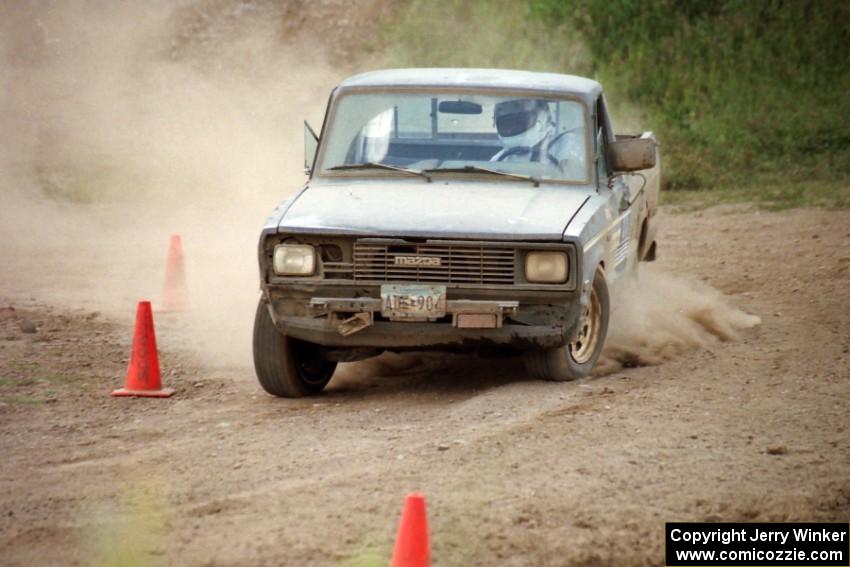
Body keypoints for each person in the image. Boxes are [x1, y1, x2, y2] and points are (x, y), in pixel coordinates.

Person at [490, 99, 582, 176]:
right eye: (506, 124)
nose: (512, 128)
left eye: (519, 122)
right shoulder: (500, 159)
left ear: (541, 121)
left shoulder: (567, 146)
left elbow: (575, 184)